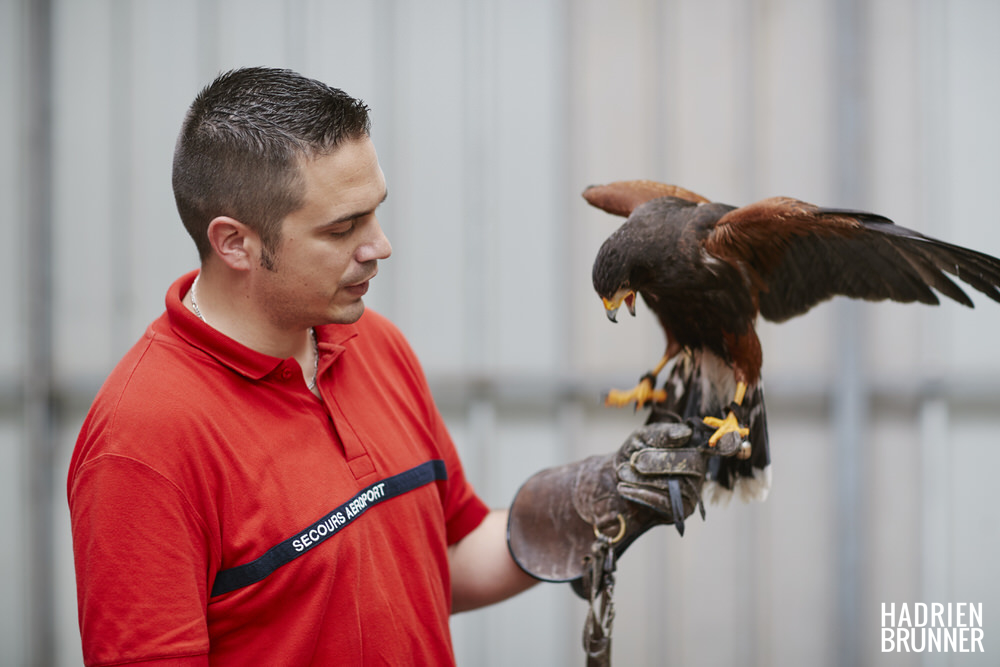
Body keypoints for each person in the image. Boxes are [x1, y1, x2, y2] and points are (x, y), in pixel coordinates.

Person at [68, 67, 697, 666]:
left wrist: (599, 504)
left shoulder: (375, 345)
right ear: (235, 242)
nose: (380, 245)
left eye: (375, 210)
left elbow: (441, 558)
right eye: (344, 228)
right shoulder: (142, 442)